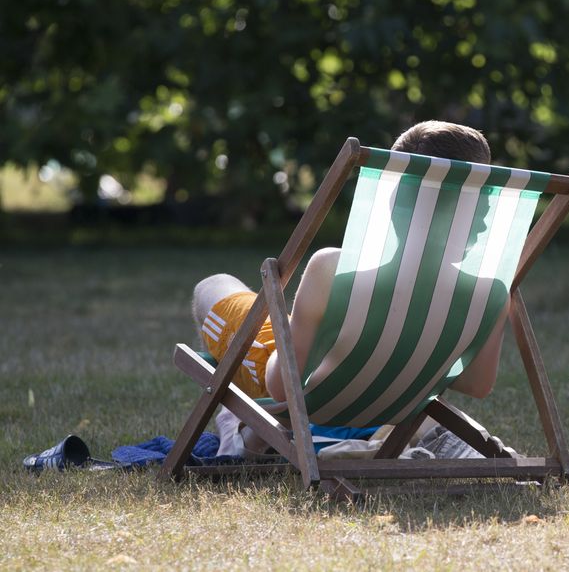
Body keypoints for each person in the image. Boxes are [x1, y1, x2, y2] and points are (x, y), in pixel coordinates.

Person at [192, 120, 508, 405]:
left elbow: (281, 388)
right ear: (483, 210)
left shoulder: (333, 269)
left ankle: (248, 417)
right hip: (391, 405)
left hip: (313, 403)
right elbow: (476, 384)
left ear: (394, 203)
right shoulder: (490, 293)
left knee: (213, 285)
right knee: (306, 329)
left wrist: (289, 340)